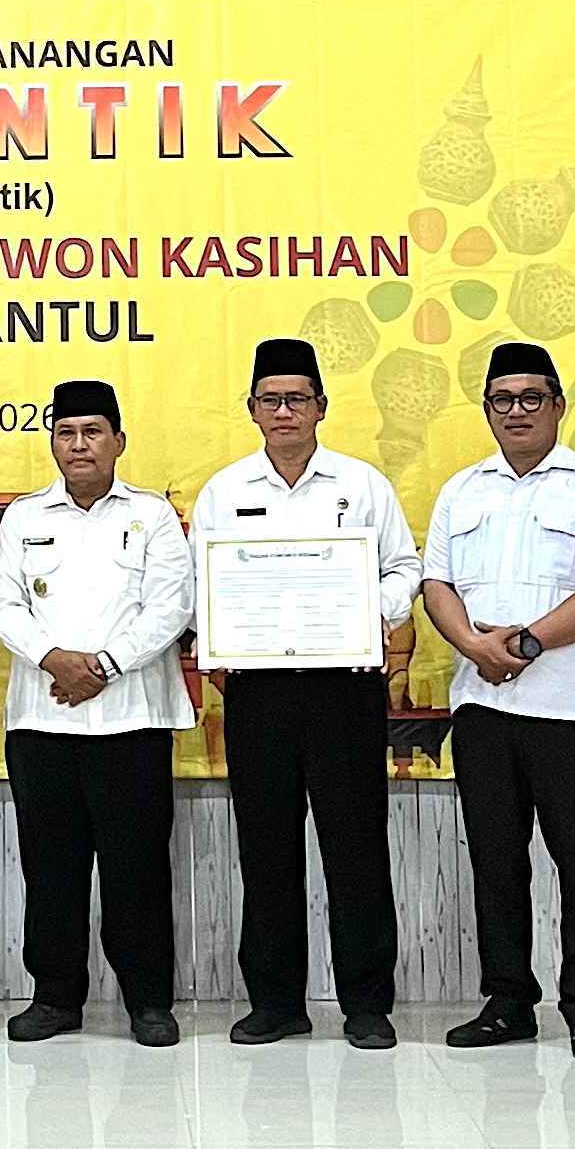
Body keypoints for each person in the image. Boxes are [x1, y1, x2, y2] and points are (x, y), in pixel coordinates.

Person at [190, 337, 422, 1051]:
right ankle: (275, 1002)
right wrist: (218, 635)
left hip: (343, 690)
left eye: (297, 398)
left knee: (356, 850)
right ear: (251, 409)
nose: (284, 410)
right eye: (271, 400)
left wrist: (369, 612)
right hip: (258, 693)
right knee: (266, 851)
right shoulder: (225, 491)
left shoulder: (361, 484)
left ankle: (366, 1005)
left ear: (321, 406)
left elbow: (403, 568)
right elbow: (199, 584)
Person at [419, 342, 575, 1064]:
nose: (516, 411)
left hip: (567, 708)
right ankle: (507, 1001)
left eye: (530, 398)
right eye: (501, 400)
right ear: (486, 410)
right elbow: (437, 586)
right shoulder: (462, 490)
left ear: (557, 406)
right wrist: (475, 648)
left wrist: (528, 644)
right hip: (481, 706)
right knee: (495, 861)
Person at [0, 379, 194, 1049]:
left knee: (137, 869)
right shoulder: (24, 517)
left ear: (118, 441)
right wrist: (55, 660)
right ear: (53, 443)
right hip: (42, 719)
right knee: (50, 869)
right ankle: (54, 998)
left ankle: (148, 1002)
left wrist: (101, 666)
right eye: (66, 433)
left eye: (92, 432)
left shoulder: (151, 515)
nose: (79, 445)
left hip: (131, 718)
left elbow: (171, 606)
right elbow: (2, 605)